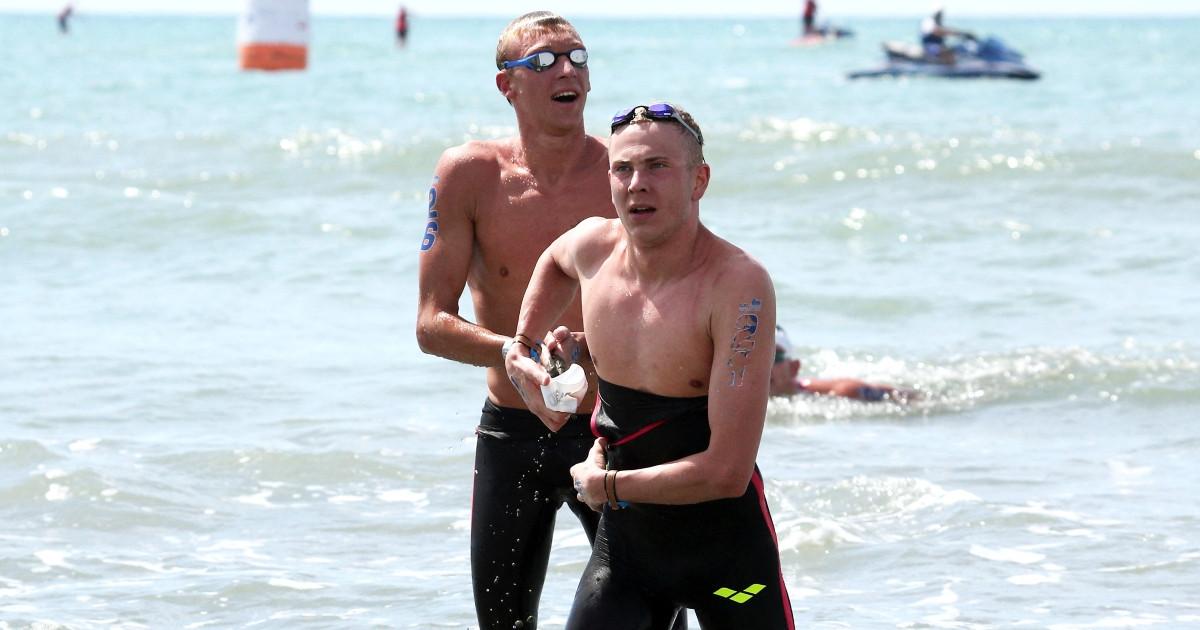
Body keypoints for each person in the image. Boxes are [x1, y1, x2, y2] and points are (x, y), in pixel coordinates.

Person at [416, 12, 678, 630]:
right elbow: (431, 323)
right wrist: (513, 352)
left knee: (652, 618)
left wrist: (594, 347)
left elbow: (674, 300)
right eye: (544, 61)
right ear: (507, 86)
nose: (567, 70)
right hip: (512, 430)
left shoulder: (627, 172)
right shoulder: (469, 174)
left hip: (614, 428)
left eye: (578, 57)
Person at [506, 103, 794, 629]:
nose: (637, 184)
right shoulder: (593, 247)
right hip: (627, 556)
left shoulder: (737, 285)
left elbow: (727, 472)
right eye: (624, 168)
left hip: (726, 557)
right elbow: (554, 261)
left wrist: (607, 488)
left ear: (698, 180)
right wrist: (523, 348)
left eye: (658, 166)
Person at [770, 326, 916, 402]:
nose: (764, 367)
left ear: (794, 368)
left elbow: (913, 397)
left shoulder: (842, 392)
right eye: (749, 357)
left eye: (774, 357)